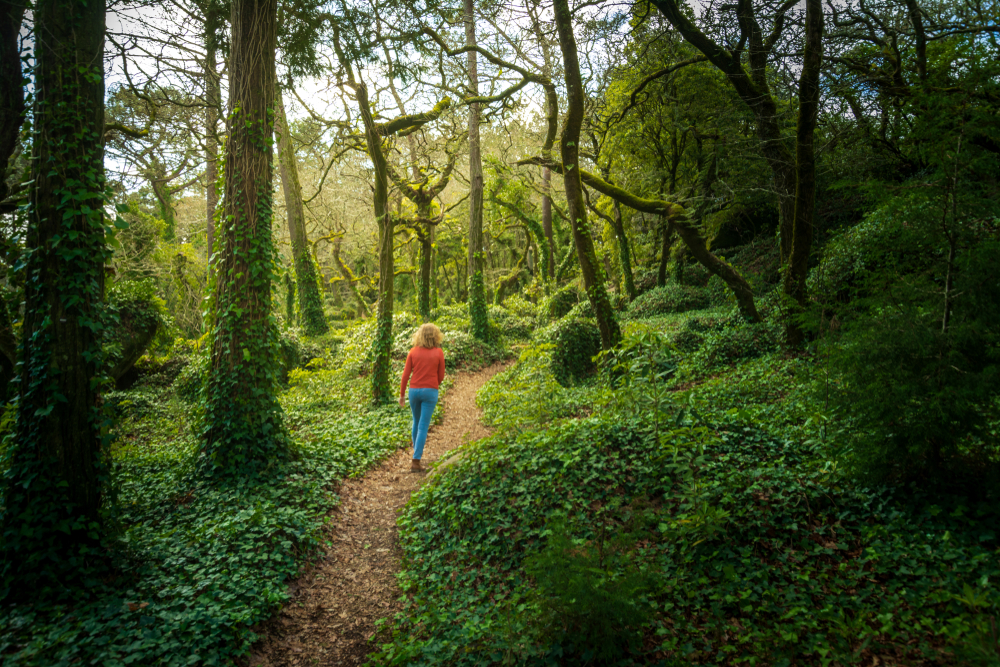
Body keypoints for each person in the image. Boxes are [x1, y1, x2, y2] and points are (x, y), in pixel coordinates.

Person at [399, 323, 445, 472]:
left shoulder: (412, 352)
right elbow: (441, 375)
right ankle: (416, 460)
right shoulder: (438, 352)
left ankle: (416, 451)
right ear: (435, 335)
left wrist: (401, 395)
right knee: (423, 425)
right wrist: (433, 386)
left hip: (413, 391)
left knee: (416, 422)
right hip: (430, 391)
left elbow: (405, 376)